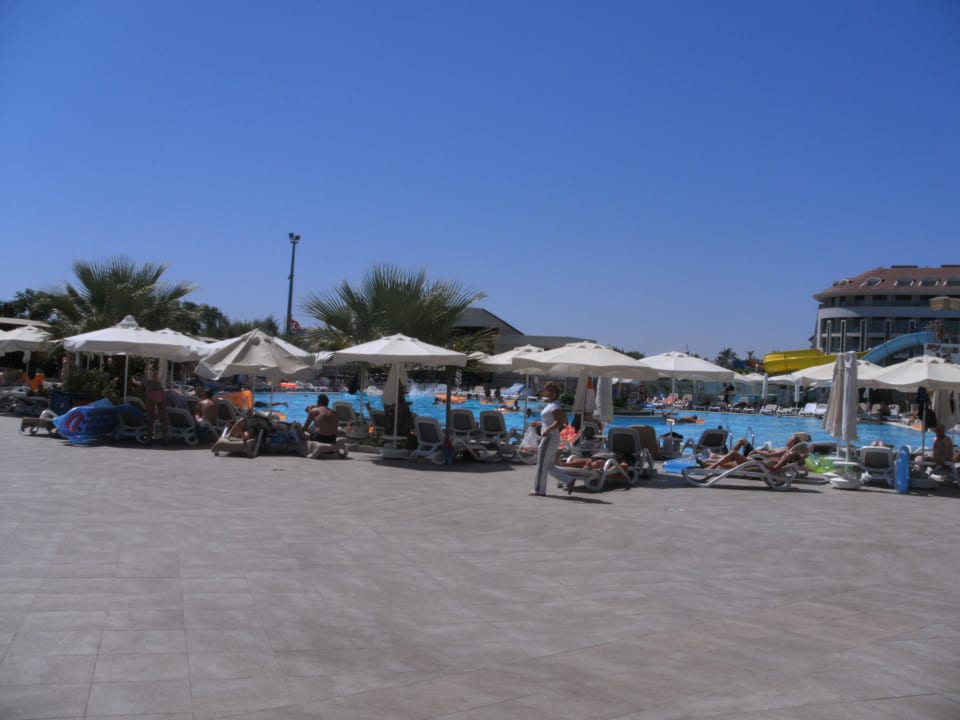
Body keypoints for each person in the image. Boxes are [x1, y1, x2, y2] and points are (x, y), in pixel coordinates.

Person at [530, 381, 575, 496]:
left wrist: (548, 430)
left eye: (552, 391)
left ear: (556, 393)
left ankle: (539, 490)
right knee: (547, 465)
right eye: (548, 390)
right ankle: (569, 480)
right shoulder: (551, 405)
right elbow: (549, 421)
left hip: (549, 437)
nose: (549, 392)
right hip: (551, 437)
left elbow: (559, 421)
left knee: (541, 464)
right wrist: (539, 423)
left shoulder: (555, 406)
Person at [142, 363, 169, 444]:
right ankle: (165, 439)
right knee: (163, 418)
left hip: (150, 392)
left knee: (150, 418)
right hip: (159, 391)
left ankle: (149, 439)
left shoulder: (147, 373)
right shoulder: (161, 371)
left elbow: (144, 383)